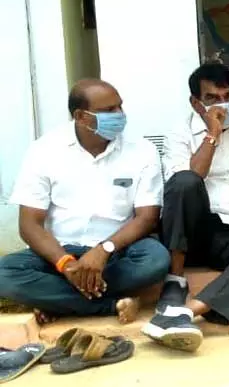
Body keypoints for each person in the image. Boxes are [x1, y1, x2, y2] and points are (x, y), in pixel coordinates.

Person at [0, 80, 168, 325]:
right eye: (109, 110)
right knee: (4, 274)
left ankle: (58, 300)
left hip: (117, 253)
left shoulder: (142, 151)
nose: (119, 115)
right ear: (80, 116)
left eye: (120, 107)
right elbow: (29, 225)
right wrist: (66, 265)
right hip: (58, 253)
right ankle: (109, 305)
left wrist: (103, 250)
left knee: (155, 260)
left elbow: (147, 217)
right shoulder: (44, 151)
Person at [141, 63, 229, 352]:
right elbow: (187, 181)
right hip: (194, 231)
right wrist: (212, 134)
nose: (223, 104)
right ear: (196, 102)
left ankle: (186, 312)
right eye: (213, 98)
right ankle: (175, 280)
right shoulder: (179, 133)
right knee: (185, 182)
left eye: (228, 96)